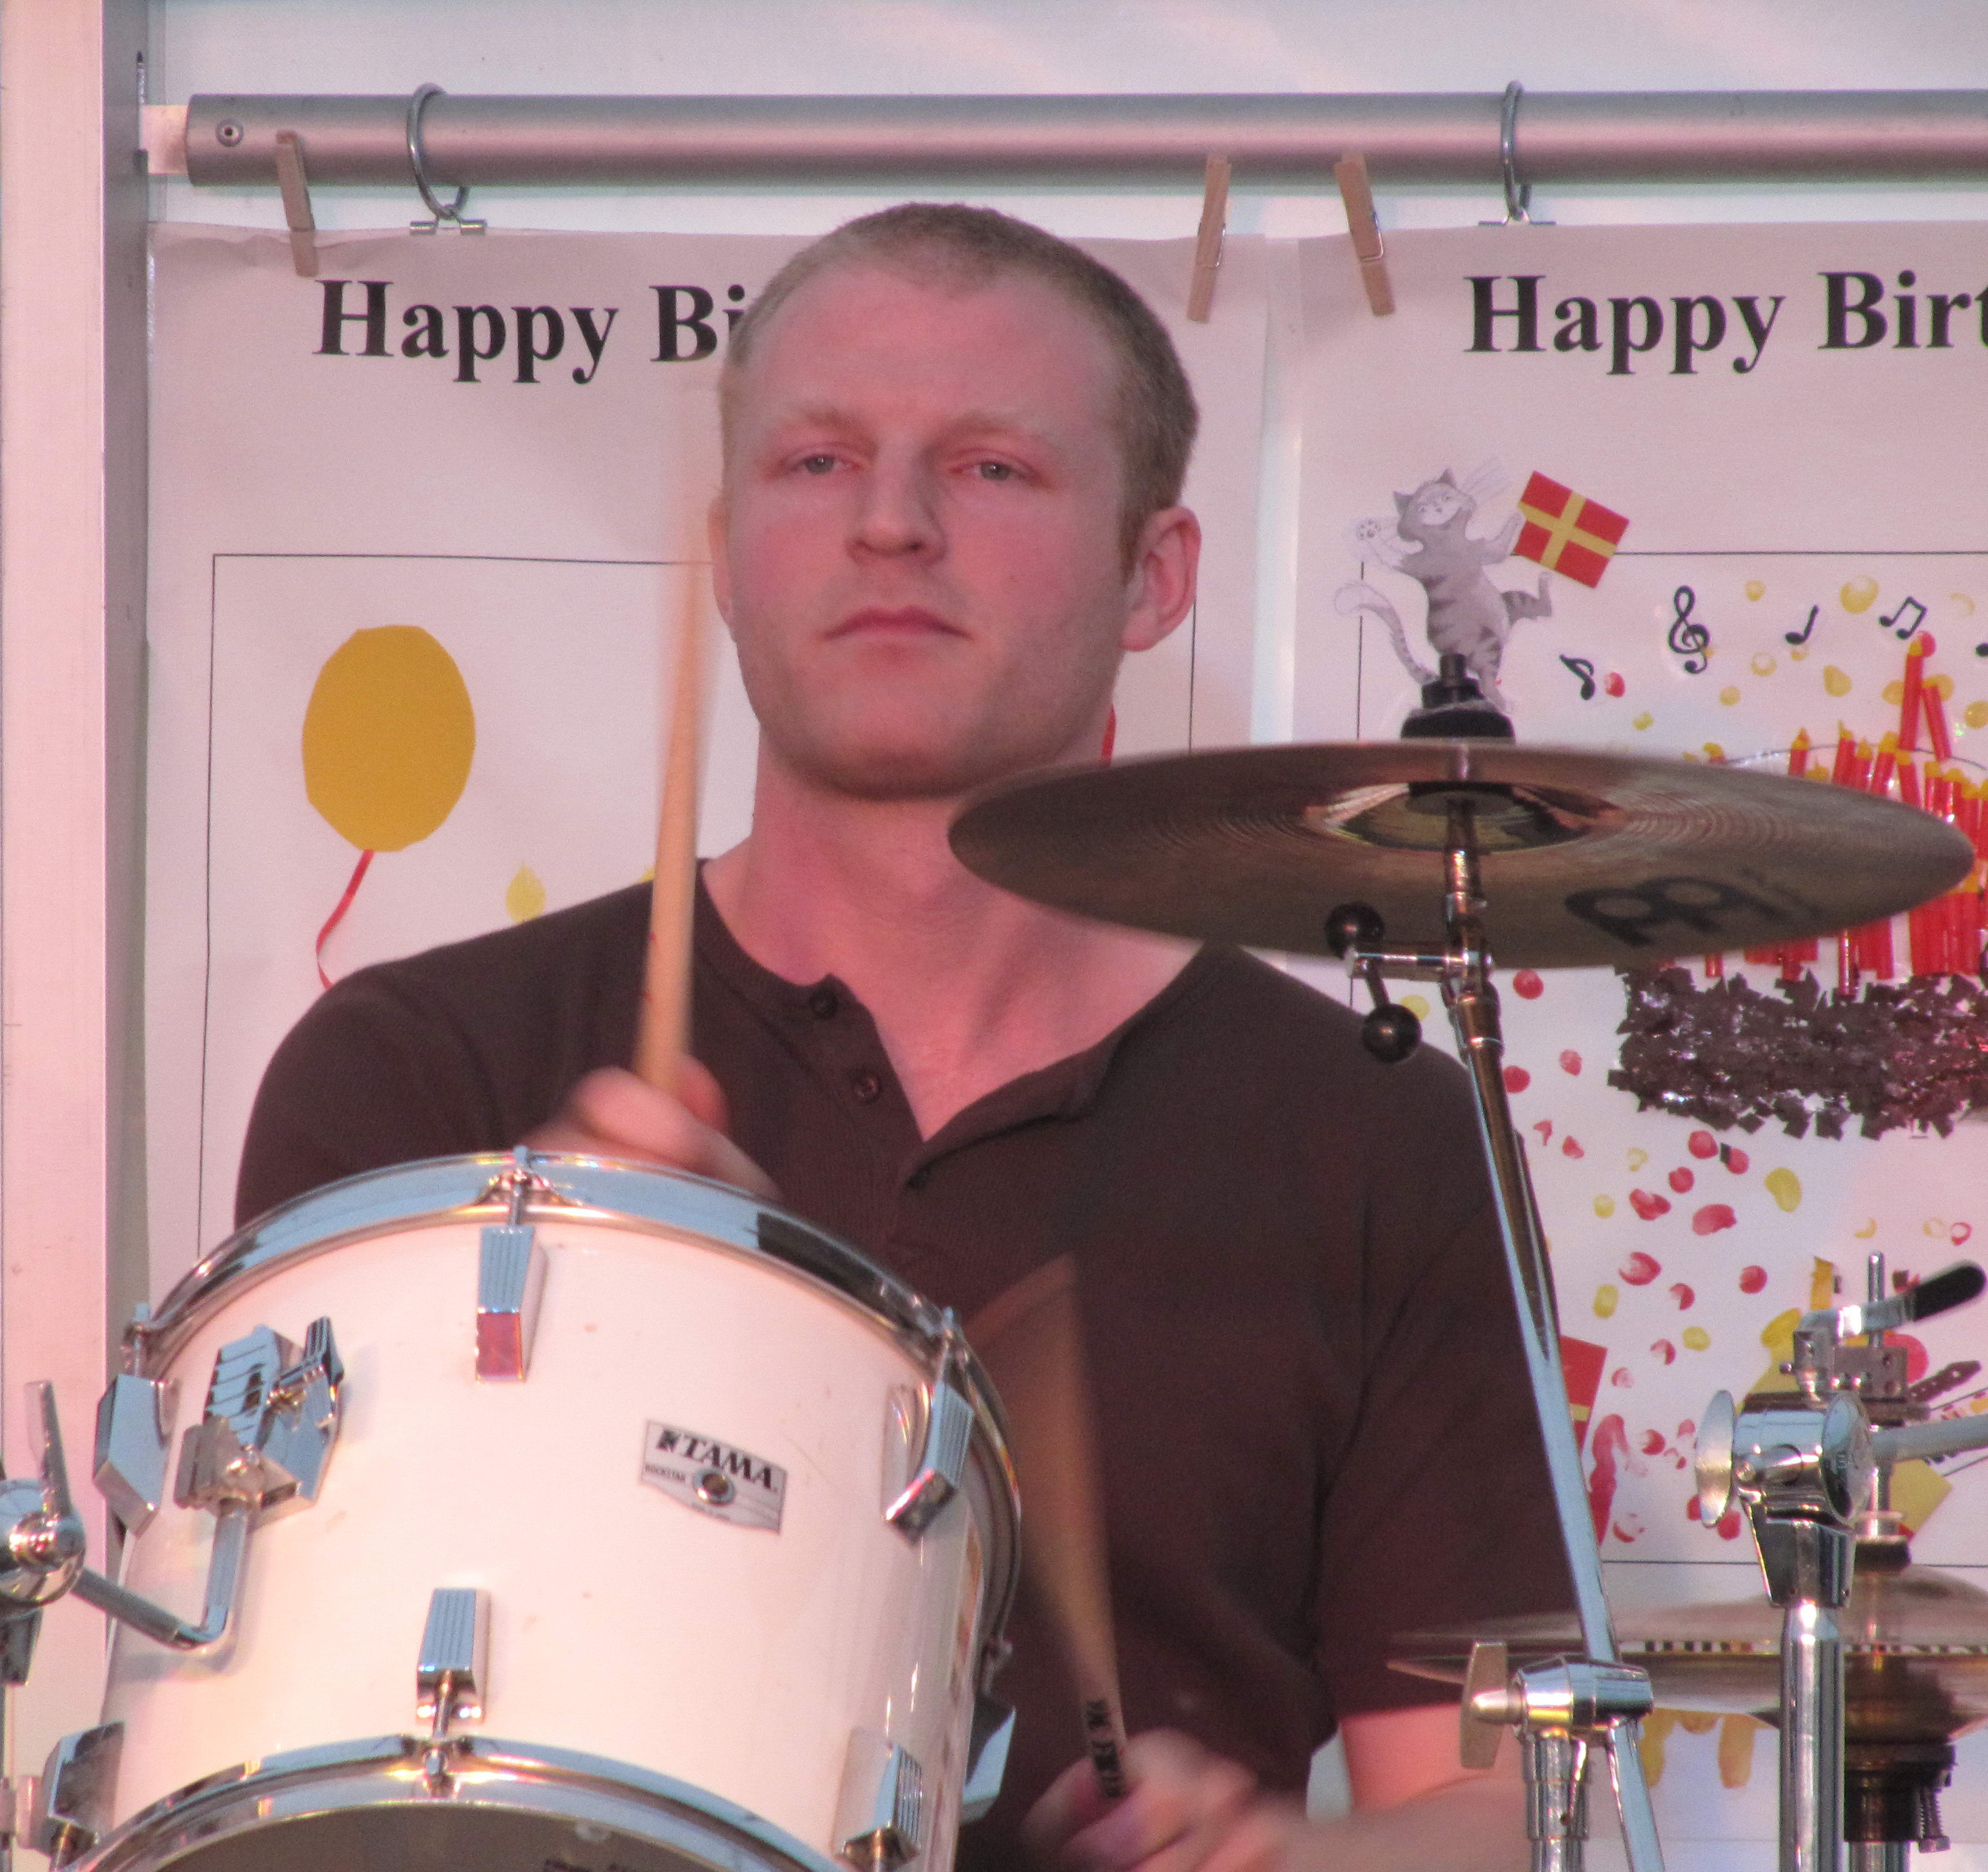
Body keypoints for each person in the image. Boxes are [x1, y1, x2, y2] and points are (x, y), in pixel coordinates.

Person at [238, 204, 1572, 1871]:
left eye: (992, 468)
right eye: (817, 463)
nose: (890, 524)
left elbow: (1493, 1808)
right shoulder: (422, 1072)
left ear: (1155, 575)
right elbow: (300, 1744)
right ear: (728, 556)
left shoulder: (1374, 1136)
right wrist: (541, 1346)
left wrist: (1279, 1862)